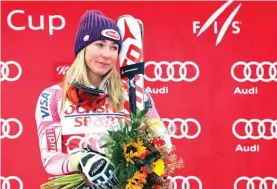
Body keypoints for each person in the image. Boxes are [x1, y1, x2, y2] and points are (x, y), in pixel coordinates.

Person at [35, 10, 172, 189]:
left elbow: (163, 148)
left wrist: (158, 137)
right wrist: (82, 160)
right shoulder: (53, 97)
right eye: (99, 44)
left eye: (114, 47)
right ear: (83, 48)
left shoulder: (133, 94)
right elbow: (50, 159)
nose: (107, 54)